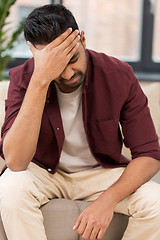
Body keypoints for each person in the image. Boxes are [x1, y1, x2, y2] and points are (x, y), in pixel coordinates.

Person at [0, 3, 160, 240]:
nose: (67, 74)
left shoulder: (118, 74)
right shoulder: (24, 78)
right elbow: (15, 161)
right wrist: (40, 80)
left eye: (72, 58)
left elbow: (148, 155)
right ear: (35, 53)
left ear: (82, 39)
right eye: (56, 65)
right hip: (43, 172)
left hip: (100, 173)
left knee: (156, 202)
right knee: (10, 189)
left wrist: (107, 200)